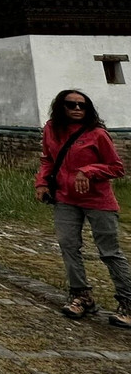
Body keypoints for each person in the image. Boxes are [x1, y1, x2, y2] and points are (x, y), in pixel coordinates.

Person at [34, 89, 131, 328]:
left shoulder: (97, 134)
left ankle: (128, 303)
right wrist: (42, 182)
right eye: (71, 104)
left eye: (82, 105)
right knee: (68, 246)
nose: (77, 109)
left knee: (109, 252)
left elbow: (117, 167)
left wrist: (87, 171)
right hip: (66, 198)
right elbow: (48, 159)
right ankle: (80, 295)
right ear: (60, 107)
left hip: (98, 201)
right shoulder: (51, 129)